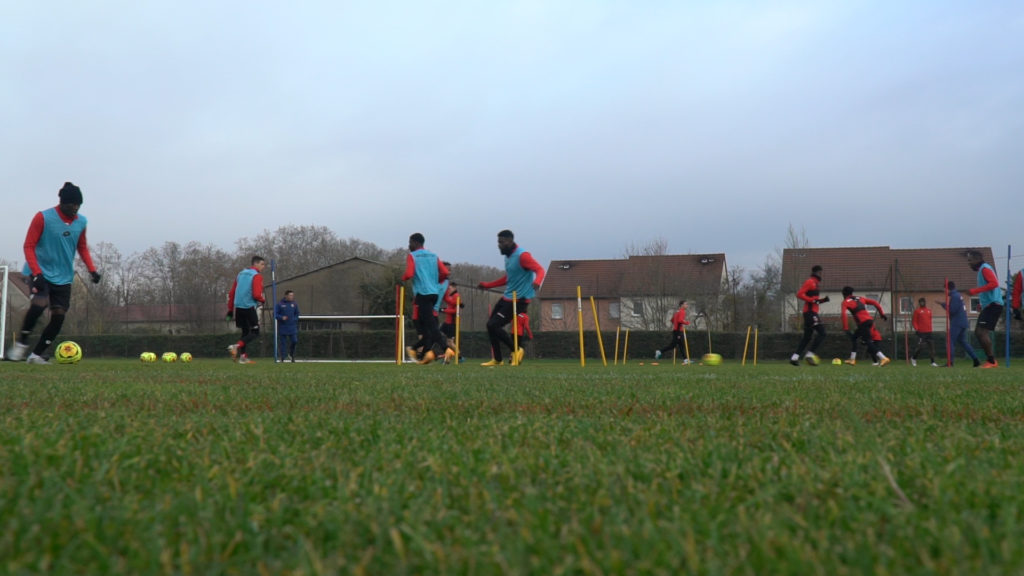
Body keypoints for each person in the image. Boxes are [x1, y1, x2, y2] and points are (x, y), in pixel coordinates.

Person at [6, 182, 102, 364]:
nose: (75, 208)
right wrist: (36, 273)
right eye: (71, 204)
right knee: (39, 305)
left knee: (59, 315)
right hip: (39, 272)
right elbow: (29, 246)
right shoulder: (43, 218)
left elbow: (82, 247)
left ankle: (36, 355)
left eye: (78, 205)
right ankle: (21, 344)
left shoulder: (81, 222)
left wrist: (92, 270)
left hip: (64, 276)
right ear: (62, 202)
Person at [478, 230, 545, 366]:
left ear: (510, 241)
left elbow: (540, 269)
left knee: (493, 324)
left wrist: (537, 282)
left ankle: (517, 350)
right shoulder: (508, 256)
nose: (499, 245)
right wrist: (488, 285)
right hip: (508, 297)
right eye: (498, 242)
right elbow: (509, 278)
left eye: (501, 242)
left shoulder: (523, 256)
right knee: (490, 326)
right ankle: (497, 359)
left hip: (519, 299)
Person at [402, 233, 453, 364]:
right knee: (428, 328)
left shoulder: (412, 256)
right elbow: (445, 273)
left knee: (432, 327)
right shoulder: (434, 255)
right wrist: (435, 281)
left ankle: (446, 348)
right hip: (434, 294)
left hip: (422, 294)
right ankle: (424, 353)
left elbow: (409, 273)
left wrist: (403, 279)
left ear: (415, 242)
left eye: (410, 242)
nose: (409, 245)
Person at [227, 256, 267, 364]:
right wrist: (262, 300)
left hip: (238, 308)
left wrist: (230, 310)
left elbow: (232, 293)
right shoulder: (257, 276)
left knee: (245, 332)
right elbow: (256, 294)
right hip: (248, 307)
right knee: (255, 332)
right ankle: (236, 346)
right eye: (262, 264)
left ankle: (243, 357)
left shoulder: (240, 274)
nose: (264, 267)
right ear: (256, 264)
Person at [840, 286, 891, 367]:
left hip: (862, 323)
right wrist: (882, 314)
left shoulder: (845, 302)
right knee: (854, 338)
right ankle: (852, 359)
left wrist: (846, 328)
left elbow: (843, 314)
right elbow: (875, 303)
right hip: (869, 320)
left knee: (868, 341)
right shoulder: (860, 298)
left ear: (843, 294)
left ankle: (883, 358)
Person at [967, 252, 1002, 368]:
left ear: (977, 259)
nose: (969, 263)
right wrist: (982, 304)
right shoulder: (983, 269)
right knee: (979, 332)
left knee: (981, 332)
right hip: (989, 305)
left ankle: (991, 361)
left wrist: (974, 291)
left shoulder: (985, 269)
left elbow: (994, 284)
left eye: (970, 260)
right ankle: (991, 360)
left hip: (994, 305)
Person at [789, 265, 828, 366]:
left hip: (810, 312)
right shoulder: (810, 282)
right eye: (820, 272)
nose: (821, 274)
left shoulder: (816, 283)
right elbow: (800, 294)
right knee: (822, 333)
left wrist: (823, 300)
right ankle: (810, 354)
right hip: (810, 313)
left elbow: (814, 300)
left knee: (807, 337)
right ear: (817, 272)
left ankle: (794, 358)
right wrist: (812, 300)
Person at [938, 280, 981, 367]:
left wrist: (943, 305)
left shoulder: (955, 297)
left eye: (945, 290)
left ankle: (950, 362)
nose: (944, 292)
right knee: (963, 342)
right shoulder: (958, 295)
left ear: (948, 289)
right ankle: (975, 359)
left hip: (957, 322)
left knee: (950, 341)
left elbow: (952, 310)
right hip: (963, 321)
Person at [439, 281, 464, 362]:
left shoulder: (456, 296)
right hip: (447, 322)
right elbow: (447, 299)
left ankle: (460, 357)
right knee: (440, 336)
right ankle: (447, 357)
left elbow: (455, 311)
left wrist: (443, 310)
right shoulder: (452, 296)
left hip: (452, 323)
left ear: (454, 288)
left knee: (450, 342)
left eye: (450, 288)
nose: (449, 290)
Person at [274, 290, 300, 362]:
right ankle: (283, 357)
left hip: (292, 327)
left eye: (292, 295)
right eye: (290, 295)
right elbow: (275, 314)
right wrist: (281, 317)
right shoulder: (280, 304)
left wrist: (294, 319)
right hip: (283, 327)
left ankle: (291, 354)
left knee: (294, 341)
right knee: (283, 343)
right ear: (286, 296)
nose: (292, 297)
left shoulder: (294, 304)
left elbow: (297, 314)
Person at [910, 297, 937, 367]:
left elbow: (929, 320)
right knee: (921, 347)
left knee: (932, 347)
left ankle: (932, 362)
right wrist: (917, 329)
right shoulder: (917, 311)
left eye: (923, 302)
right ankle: (913, 358)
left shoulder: (929, 311)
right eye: (921, 302)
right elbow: (914, 321)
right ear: (919, 303)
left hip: (929, 332)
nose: (922, 303)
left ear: (925, 302)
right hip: (921, 332)